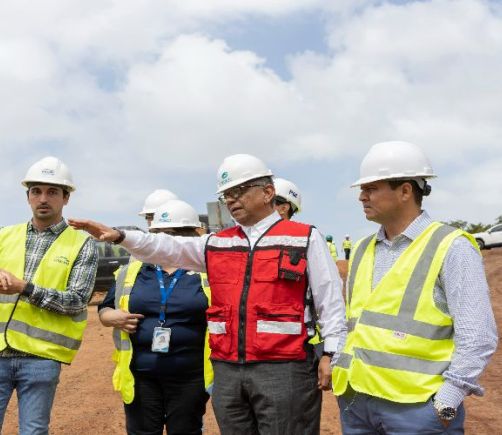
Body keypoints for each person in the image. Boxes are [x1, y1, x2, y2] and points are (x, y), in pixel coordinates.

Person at [70, 153, 347, 435]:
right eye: (227, 195)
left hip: (284, 368)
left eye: (239, 191)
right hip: (228, 370)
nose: (231, 200)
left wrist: (330, 353)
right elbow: (167, 247)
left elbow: (330, 301)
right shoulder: (217, 243)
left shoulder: (304, 238)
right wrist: (121, 236)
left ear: (267, 192)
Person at [332, 141, 498, 434]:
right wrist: (338, 365)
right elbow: (354, 323)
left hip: (418, 412)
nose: (361, 196)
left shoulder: (451, 247)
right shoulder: (360, 250)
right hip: (356, 402)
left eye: (371, 188)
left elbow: (478, 336)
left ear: (406, 191)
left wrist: (446, 404)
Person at [0, 156, 98, 435]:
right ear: (28, 197)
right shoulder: (4, 235)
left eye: (52, 192)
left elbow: (77, 300)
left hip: (40, 358)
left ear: (66, 198)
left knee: (33, 430)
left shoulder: (81, 243)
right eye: (36, 191)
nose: (43, 198)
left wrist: (25, 288)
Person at [98, 199, 212, 435]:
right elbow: (105, 309)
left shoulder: (206, 272)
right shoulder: (131, 271)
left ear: (193, 235)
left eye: (178, 233)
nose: (170, 240)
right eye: (163, 234)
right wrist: (111, 316)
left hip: (190, 375)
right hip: (141, 375)